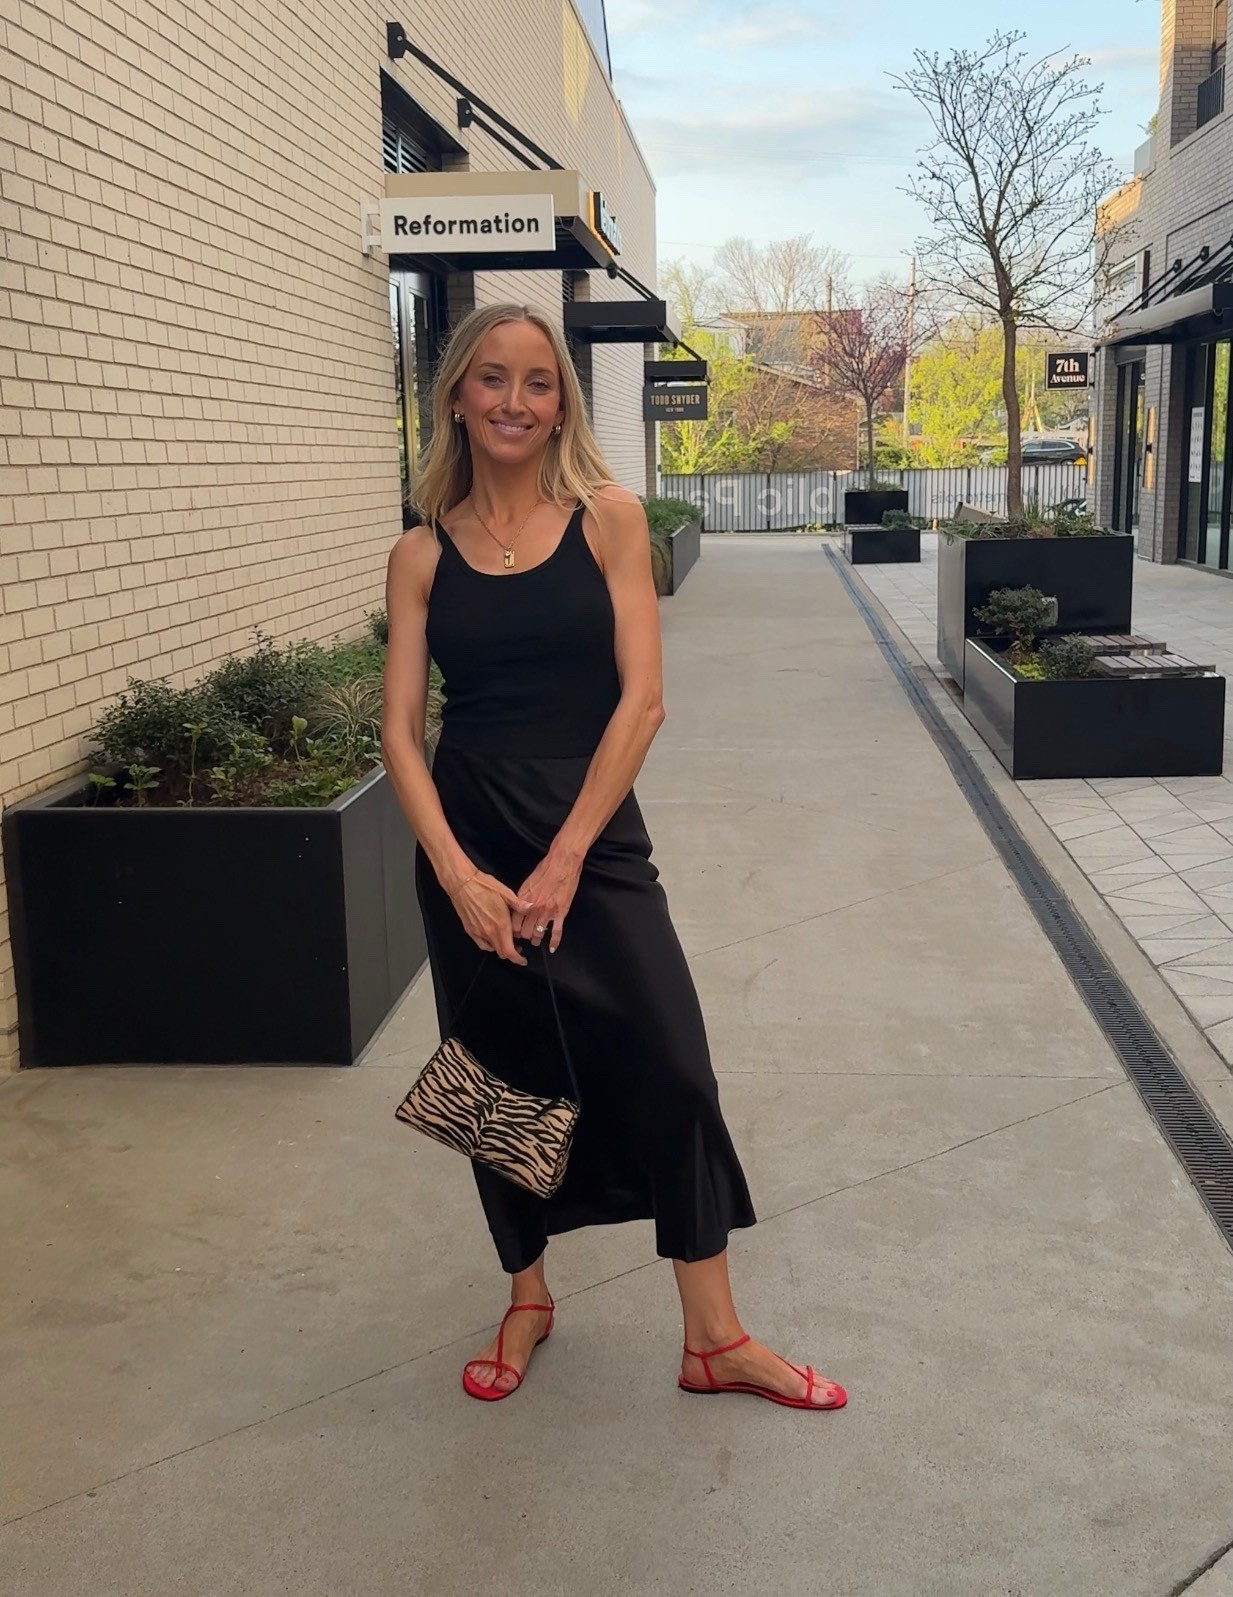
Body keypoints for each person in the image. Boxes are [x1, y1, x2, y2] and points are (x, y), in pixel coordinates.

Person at [381, 302, 845, 1414]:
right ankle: (530, 1295)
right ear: (457, 394)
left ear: (562, 402)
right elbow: (401, 731)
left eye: (538, 383)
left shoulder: (609, 520)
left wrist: (568, 855)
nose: (514, 401)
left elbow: (643, 702)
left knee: (674, 1064)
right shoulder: (419, 553)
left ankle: (714, 1336)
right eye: (491, 379)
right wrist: (452, 870)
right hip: (470, 845)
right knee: (500, 1088)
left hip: (588, 838)